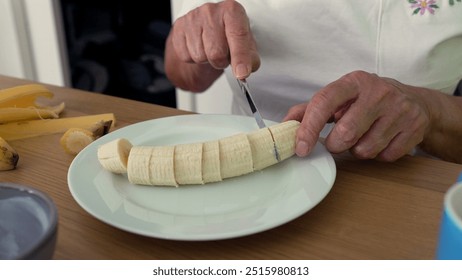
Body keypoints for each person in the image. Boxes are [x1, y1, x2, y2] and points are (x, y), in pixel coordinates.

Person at [165, 0, 462, 163]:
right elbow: (182, 74)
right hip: (251, 182)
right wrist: (204, 45)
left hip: (410, 186)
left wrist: (429, 110)